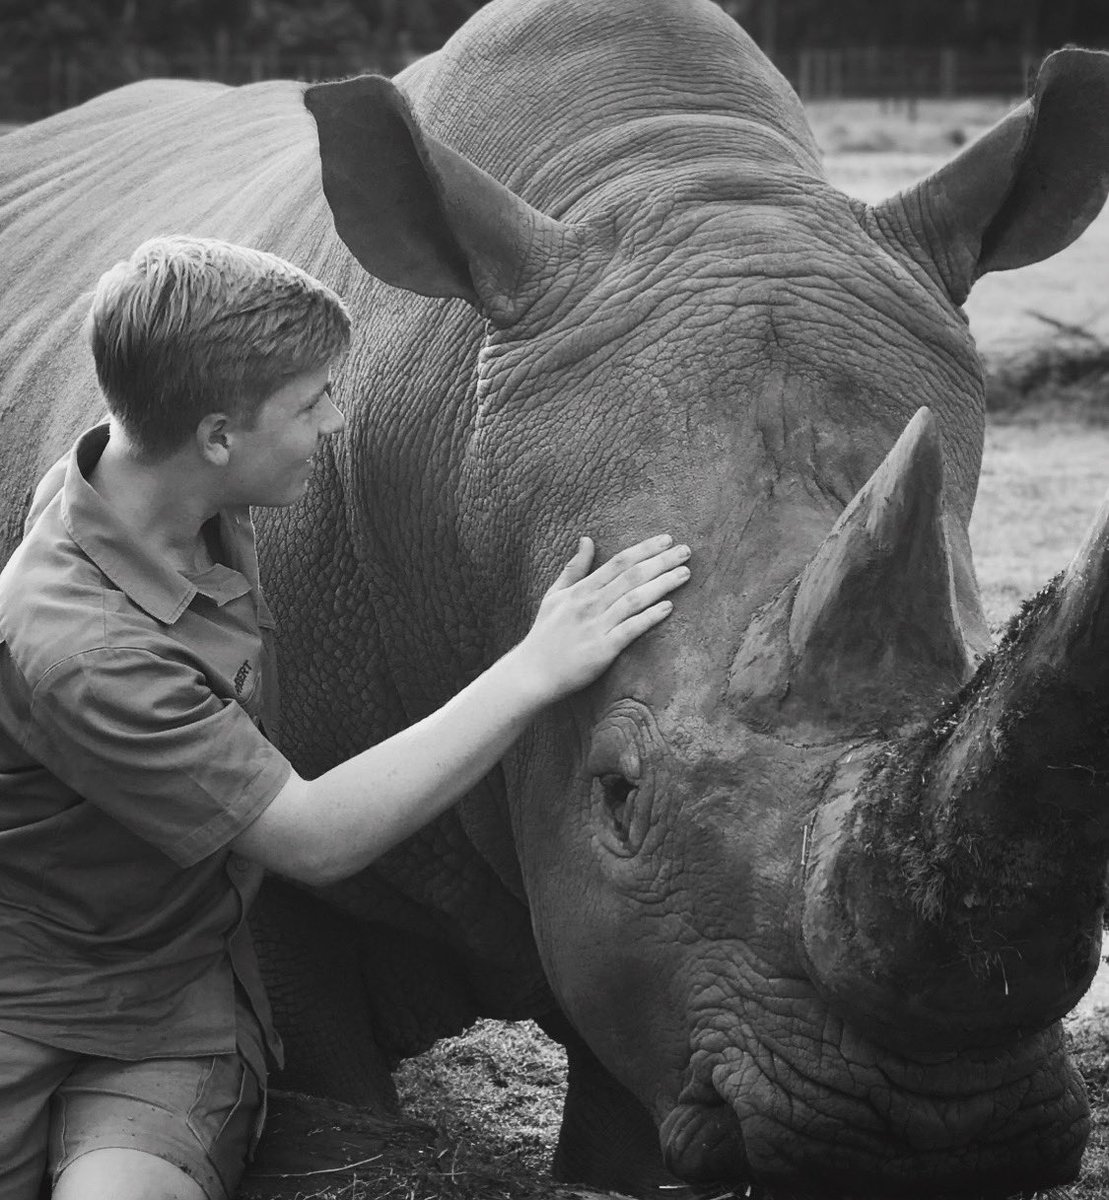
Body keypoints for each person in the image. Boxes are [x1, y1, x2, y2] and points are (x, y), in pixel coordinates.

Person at [0, 236, 691, 1200]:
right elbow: (315, 839)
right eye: (311, 402)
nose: (336, 421)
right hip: (37, 997)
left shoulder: (137, 485)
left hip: (160, 1011)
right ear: (216, 437)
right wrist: (535, 667)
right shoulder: (92, 653)